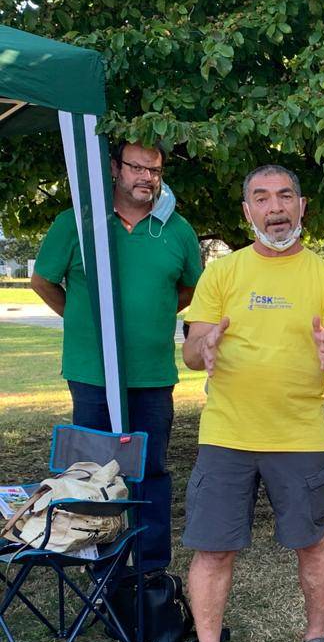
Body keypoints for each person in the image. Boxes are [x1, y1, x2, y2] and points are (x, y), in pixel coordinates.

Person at [176, 165, 324, 642]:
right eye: (261, 197)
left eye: (284, 196)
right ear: (247, 212)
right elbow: (189, 352)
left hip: (300, 436)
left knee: (312, 541)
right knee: (212, 549)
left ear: (302, 208)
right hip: (227, 434)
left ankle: (317, 641)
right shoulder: (222, 273)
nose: (274, 207)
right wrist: (202, 349)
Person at [31, 141, 202, 574]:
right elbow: (43, 280)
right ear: (114, 168)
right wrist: (85, 321)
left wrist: (152, 315)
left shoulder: (176, 230)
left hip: (151, 376)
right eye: (137, 168)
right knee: (92, 475)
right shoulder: (78, 224)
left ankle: (148, 570)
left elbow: (191, 289)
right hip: (91, 373)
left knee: (150, 472)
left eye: (155, 170)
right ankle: (100, 567)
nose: (147, 177)